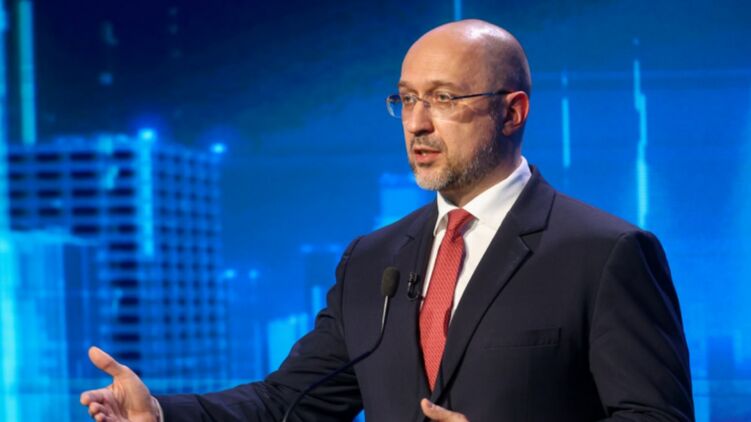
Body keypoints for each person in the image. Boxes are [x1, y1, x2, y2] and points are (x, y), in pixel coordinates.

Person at [81, 19, 694, 421]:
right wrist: (160, 412)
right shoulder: (373, 260)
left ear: (512, 112)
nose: (417, 123)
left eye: (444, 99)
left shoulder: (605, 252)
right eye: (406, 99)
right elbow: (289, 401)